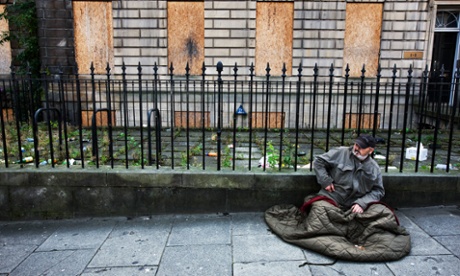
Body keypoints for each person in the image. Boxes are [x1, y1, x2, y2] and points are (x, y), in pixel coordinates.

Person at [313, 134, 384, 214]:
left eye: (361, 147)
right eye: (356, 144)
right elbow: (318, 161)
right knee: (319, 212)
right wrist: (325, 181)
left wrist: (362, 203)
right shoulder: (341, 152)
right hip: (333, 198)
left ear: (370, 150)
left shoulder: (374, 168)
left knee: (385, 215)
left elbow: (378, 191)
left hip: (356, 204)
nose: (356, 148)